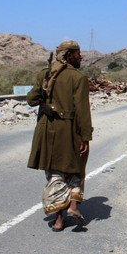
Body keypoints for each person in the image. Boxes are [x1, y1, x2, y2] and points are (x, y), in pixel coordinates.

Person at [27, 40, 93, 231]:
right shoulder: (78, 78)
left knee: (54, 173)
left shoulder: (45, 74)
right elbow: (83, 112)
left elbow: (31, 100)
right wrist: (85, 137)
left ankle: (58, 220)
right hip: (69, 131)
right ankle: (73, 206)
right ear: (69, 55)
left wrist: (44, 86)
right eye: (78, 54)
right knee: (75, 168)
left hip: (46, 131)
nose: (81, 57)